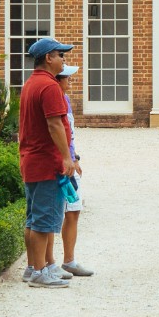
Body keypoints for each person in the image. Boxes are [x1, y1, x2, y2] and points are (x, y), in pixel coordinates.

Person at [16, 37, 77, 288]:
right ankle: (40, 272)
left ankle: (33, 267)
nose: (64, 59)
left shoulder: (31, 83)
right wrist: (66, 156)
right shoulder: (50, 86)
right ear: (48, 58)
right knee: (44, 221)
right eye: (60, 55)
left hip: (31, 161)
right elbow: (54, 124)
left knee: (33, 219)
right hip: (46, 162)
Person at [54, 63, 92, 277]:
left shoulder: (65, 99)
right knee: (61, 211)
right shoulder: (55, 99)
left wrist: (73, 156)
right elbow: (58, 132)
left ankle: (68, 260)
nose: (71, 80)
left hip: (67, 161)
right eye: (67, 77)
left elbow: (69, 134)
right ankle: (48, 264)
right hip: (61, 165)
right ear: (57, 80)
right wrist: (69, 159)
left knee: (73, 209)